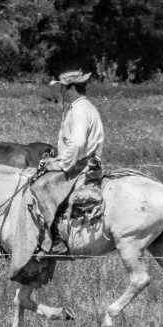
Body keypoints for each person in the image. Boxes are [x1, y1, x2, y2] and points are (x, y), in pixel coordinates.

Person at [34, 69, 105, 255]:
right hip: (83, 161)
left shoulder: (80, 110)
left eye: (64, 88)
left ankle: (56, 239)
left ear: (72, 88)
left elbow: (77, 143)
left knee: (41, 187)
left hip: (80, 165)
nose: (61, 92)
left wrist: (60, 164)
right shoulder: (83, 107)